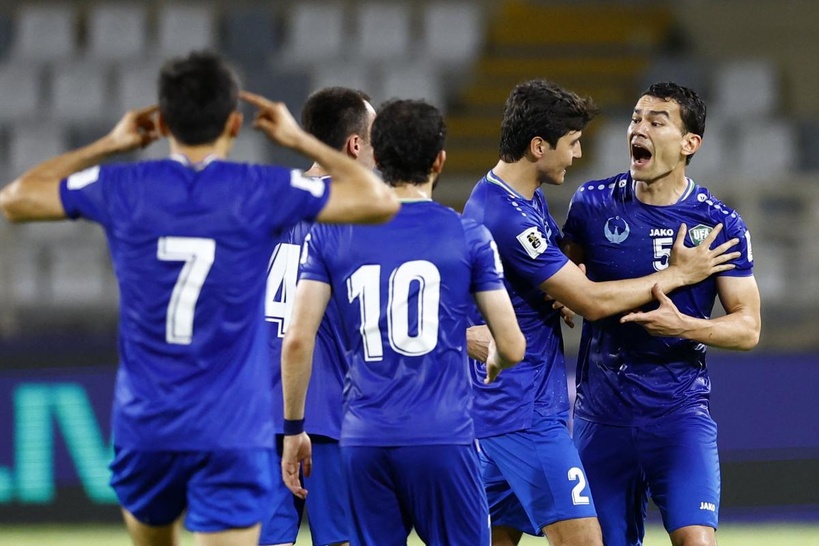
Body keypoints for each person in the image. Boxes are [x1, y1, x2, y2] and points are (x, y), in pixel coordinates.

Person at [0, 50, 399, 546]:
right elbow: (379, 201)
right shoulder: (259, 189)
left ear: (162, 122)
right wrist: (299, 139)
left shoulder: (124, 184)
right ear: (235, 124)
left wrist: (109, 144)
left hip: (146, 421)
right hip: (231, 422)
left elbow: (15, 198)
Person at [461, 79, 741, 546]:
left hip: (521, 402)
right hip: (524, 407)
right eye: (572, 144)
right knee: (586, 541)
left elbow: (563, 275)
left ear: (691, 143)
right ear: (538, 146)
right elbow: (589, 299)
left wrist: (565, 278)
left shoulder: (522, 202)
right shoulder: (511, 212)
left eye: (655, 120)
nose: (576, 155)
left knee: (500, 536)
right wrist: (673, 276)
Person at [280, 99, 526, 546]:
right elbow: (511, 344)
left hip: (363, 437)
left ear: (379, 156)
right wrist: (494, 362)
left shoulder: (333, 231)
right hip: (442, 435)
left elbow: (297, 337)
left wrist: (294, 427)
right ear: (439, 161)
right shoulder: (468, 235)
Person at [561, 82, 761, 546]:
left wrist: (686, 327)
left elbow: (748, 327)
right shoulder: (593, 204)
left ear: (690, 143)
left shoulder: (719, 225)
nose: (639, 129)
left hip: (678, 414)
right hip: (601, 415)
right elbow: (563, 278)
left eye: (656, 121)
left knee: (696, 540)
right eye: (636, 118)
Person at [261, 86, 377, 546]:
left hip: (260, 408)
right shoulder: (354, 212)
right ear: (354, 145)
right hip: (330, 409)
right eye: (375, 140)